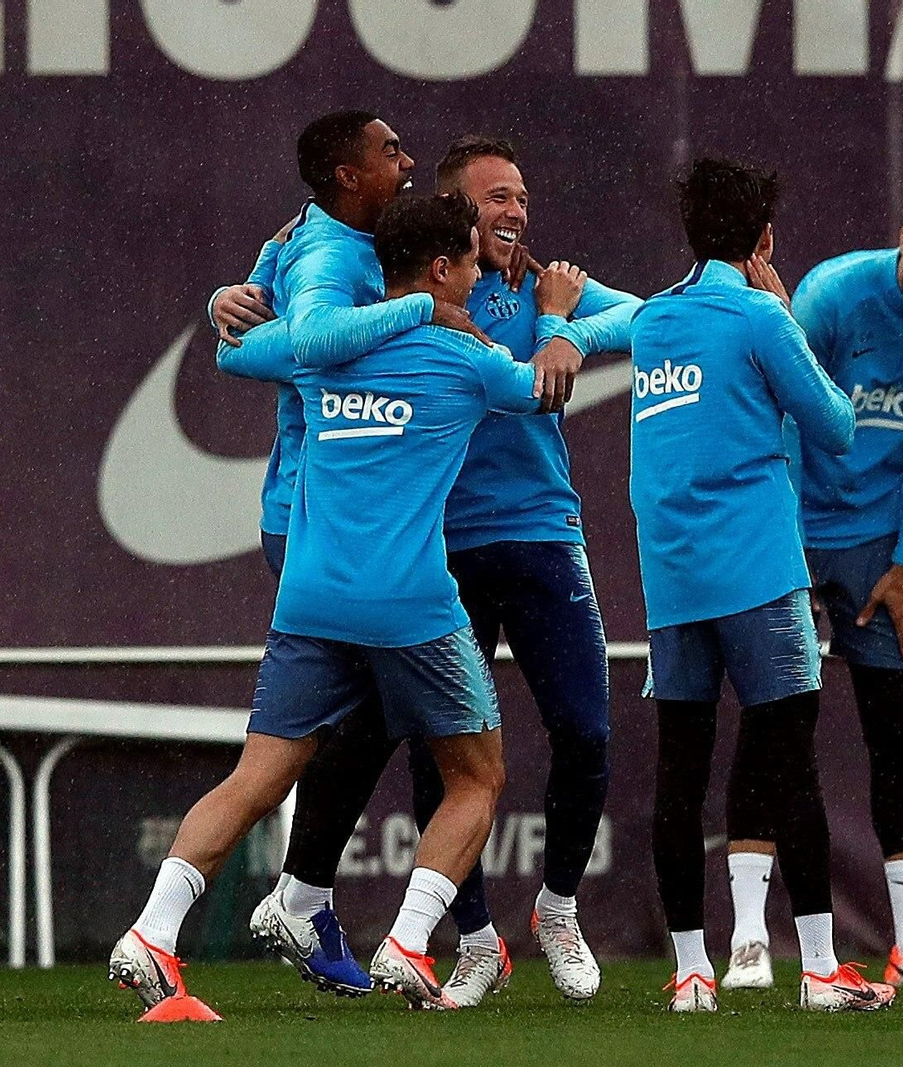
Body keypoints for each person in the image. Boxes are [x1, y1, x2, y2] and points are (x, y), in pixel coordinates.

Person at [111, 192, 540, 1015]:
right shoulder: (466, 357)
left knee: (257, 777)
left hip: (310, 601)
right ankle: (410, 945)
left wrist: (249, 279)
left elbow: (235, 352)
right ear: (445, 268)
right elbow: (544, 388)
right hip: (412, 607)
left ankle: (151, 934)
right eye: (472, 264)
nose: (482, 276)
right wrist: (552, 320)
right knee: (477, 777)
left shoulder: (320, 350)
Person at [238, 135, 640, 1008]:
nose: (517, 211)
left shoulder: (539, 285)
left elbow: (642, 318)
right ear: (456, 225)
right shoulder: (412, 299)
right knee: (433, 747)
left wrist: (566, 327)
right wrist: (232, 297)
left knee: (585, 730)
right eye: (497, 197)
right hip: (439, 547)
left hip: (540, 533)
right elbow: (277, 339)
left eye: (523, 195)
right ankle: (471, 939)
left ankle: (560, 911)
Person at [206, 110, 491, 999]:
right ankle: (310, 896)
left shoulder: (323, 239)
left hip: (340, 518)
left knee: (364, 725)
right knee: (358, 737)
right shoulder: (334, 255)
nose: (406, 162)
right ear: (342, 175)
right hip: (319, 515)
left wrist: (231, 302)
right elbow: (290, 347)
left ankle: (304, 896)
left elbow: (250, 318)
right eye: (389, 152)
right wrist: (426, 314)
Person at [718, 181, 903, 991]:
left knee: (896, 730)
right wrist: (791, 552)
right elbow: (785, 419)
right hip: (793, 535)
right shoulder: (834, 294)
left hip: (880, 552)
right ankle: (744, 942)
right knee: (776, 730)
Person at [630, 157, 892, 1014]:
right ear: (763, 240)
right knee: (791, 769)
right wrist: (781, 311)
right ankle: (820, 971)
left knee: (679, 774)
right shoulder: (758, 315)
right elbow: (840, 426)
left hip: (672, 583)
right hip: (757, 576)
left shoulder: (654, 322)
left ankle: (691, 973)